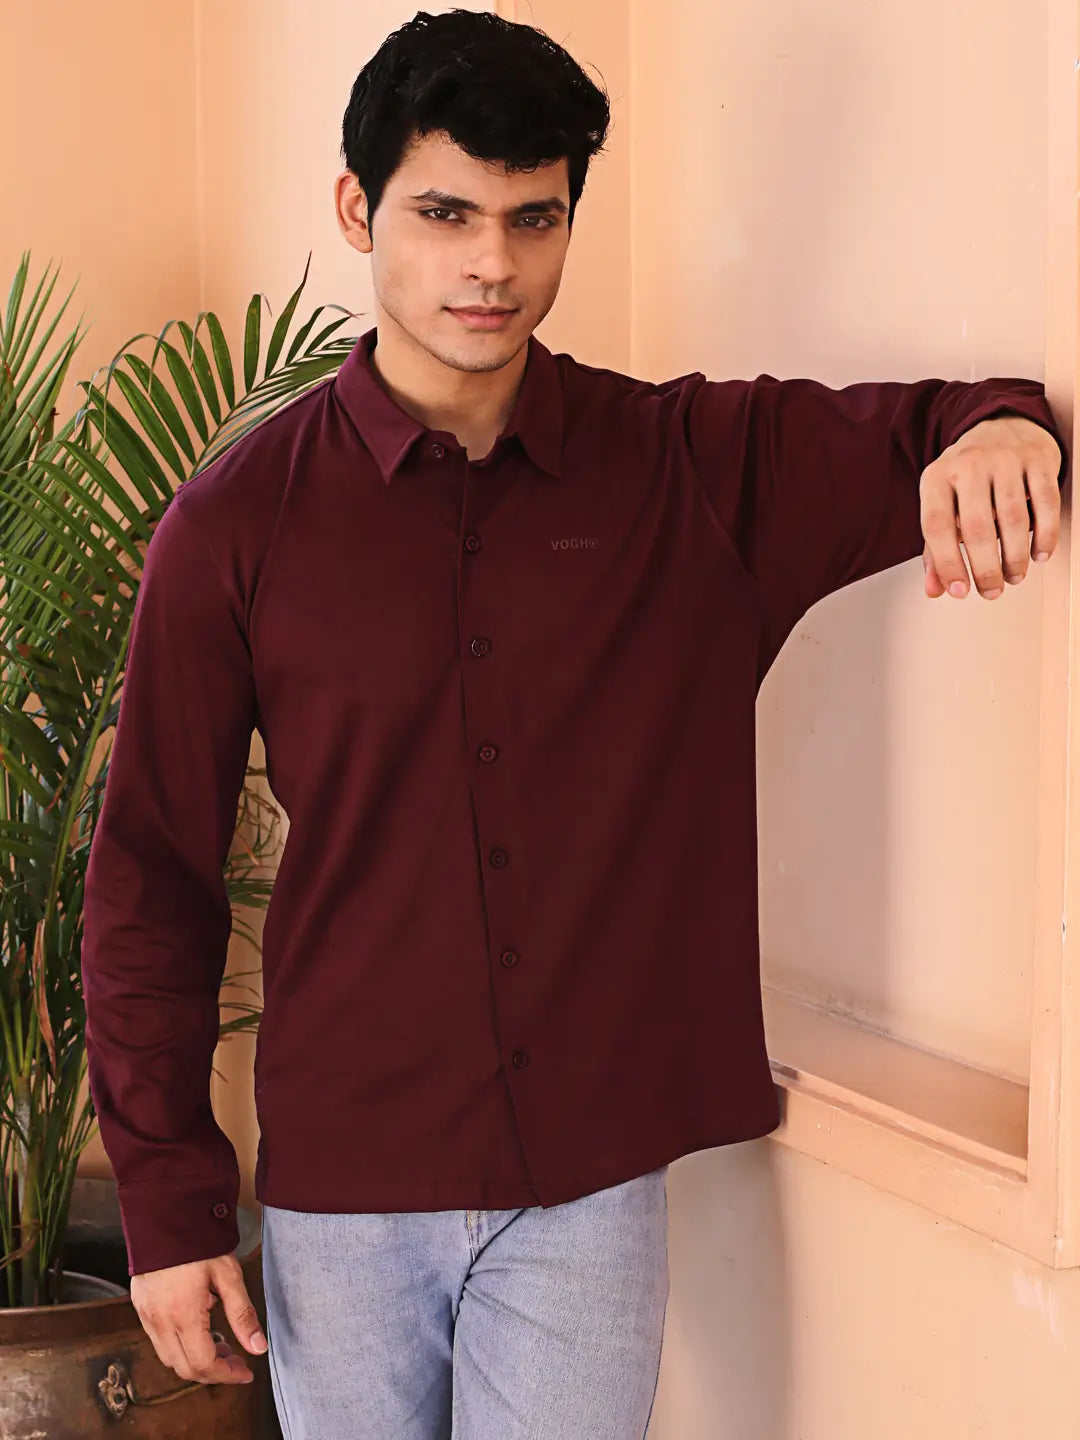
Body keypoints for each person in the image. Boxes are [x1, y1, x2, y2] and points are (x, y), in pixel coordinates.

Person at [79, 8, 1068, 1439]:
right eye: (444, 213)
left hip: (590, 1190)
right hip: (343, 1189)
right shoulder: (234, 525)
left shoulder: (686, 470)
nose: (491, 262)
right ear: (358, 208)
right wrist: (170, 1207)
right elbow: (151, 879)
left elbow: (948, 418)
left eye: (532, 218)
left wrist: (1001, 431)